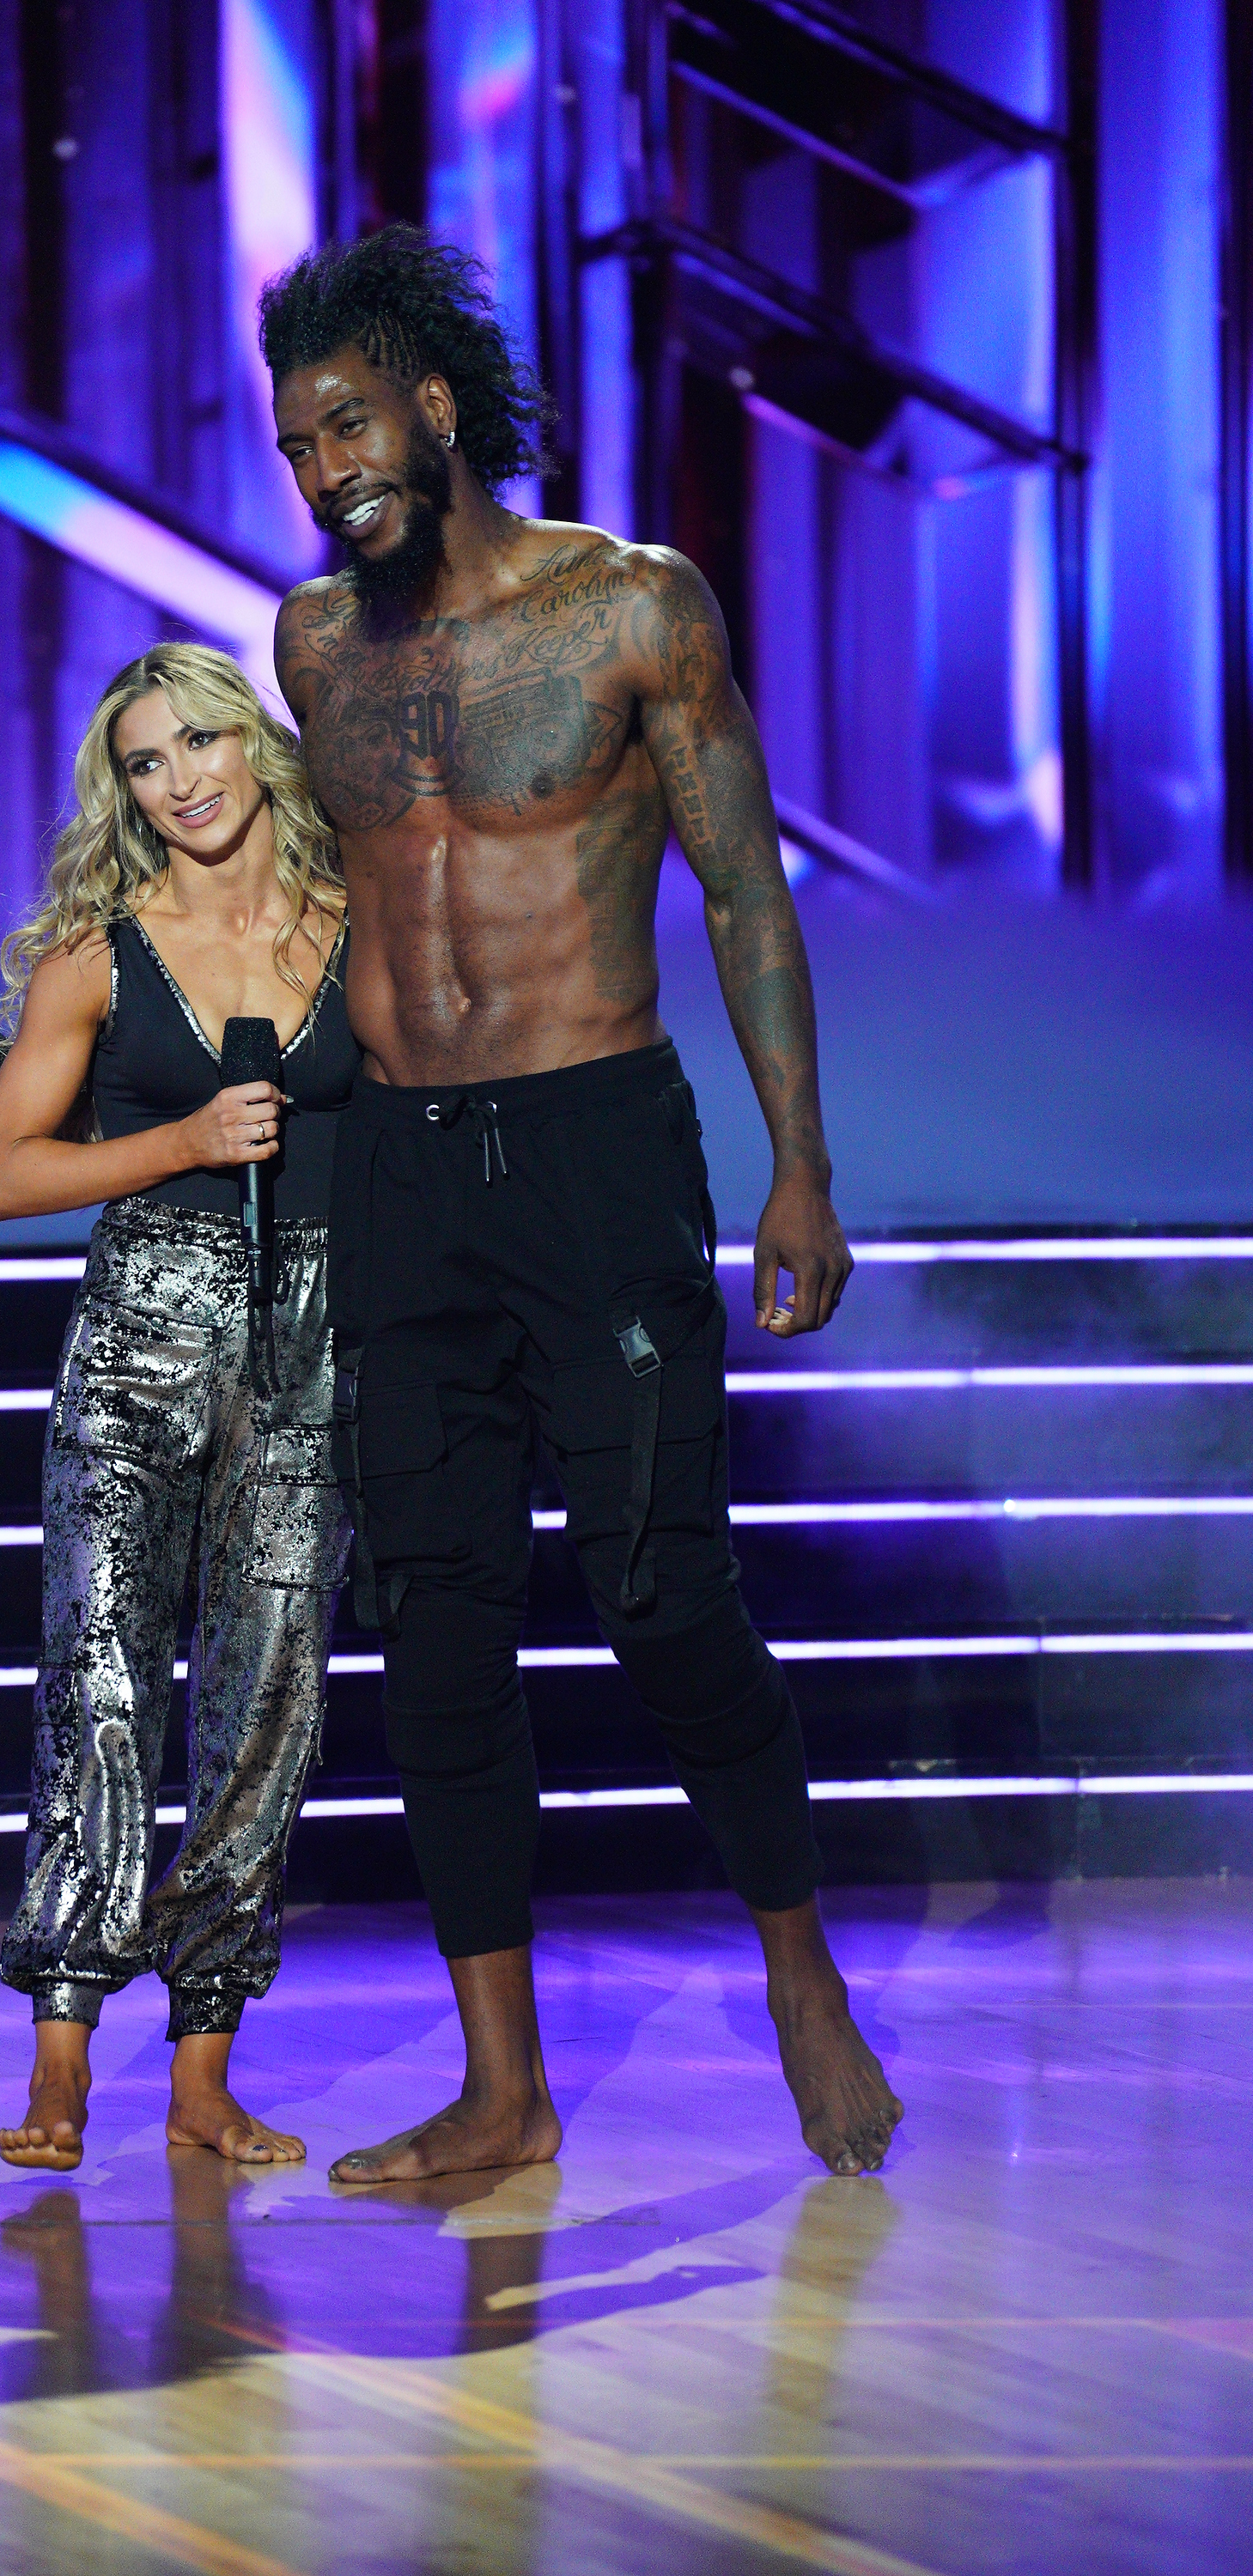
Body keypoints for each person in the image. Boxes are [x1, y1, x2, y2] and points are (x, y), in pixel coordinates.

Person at [259, 226, 903, 2184]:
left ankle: (802, 1975)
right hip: (398, 1174)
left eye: (351, 422)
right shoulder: (308, 647)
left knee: (658, 1589)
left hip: (595, 1152)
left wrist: (798, 1161)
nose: (326, 468)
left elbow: (742, 891)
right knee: (433, 1625)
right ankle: (504, 2090)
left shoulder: (631, 608)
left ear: (437, 407)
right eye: (296, 443)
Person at [0, 642, 356, 2172]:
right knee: (104, 1686)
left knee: (269, 1703)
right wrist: (188, 1137)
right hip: (140, 1330)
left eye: (203, 740)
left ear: (256, 747)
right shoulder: (95, 943)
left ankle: (204, 2073)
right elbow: (8, 1172)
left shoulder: (356, 922)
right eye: (146, 760)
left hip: (316, 1347)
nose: (183, 778)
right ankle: (62, 2058)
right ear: (120, 789)